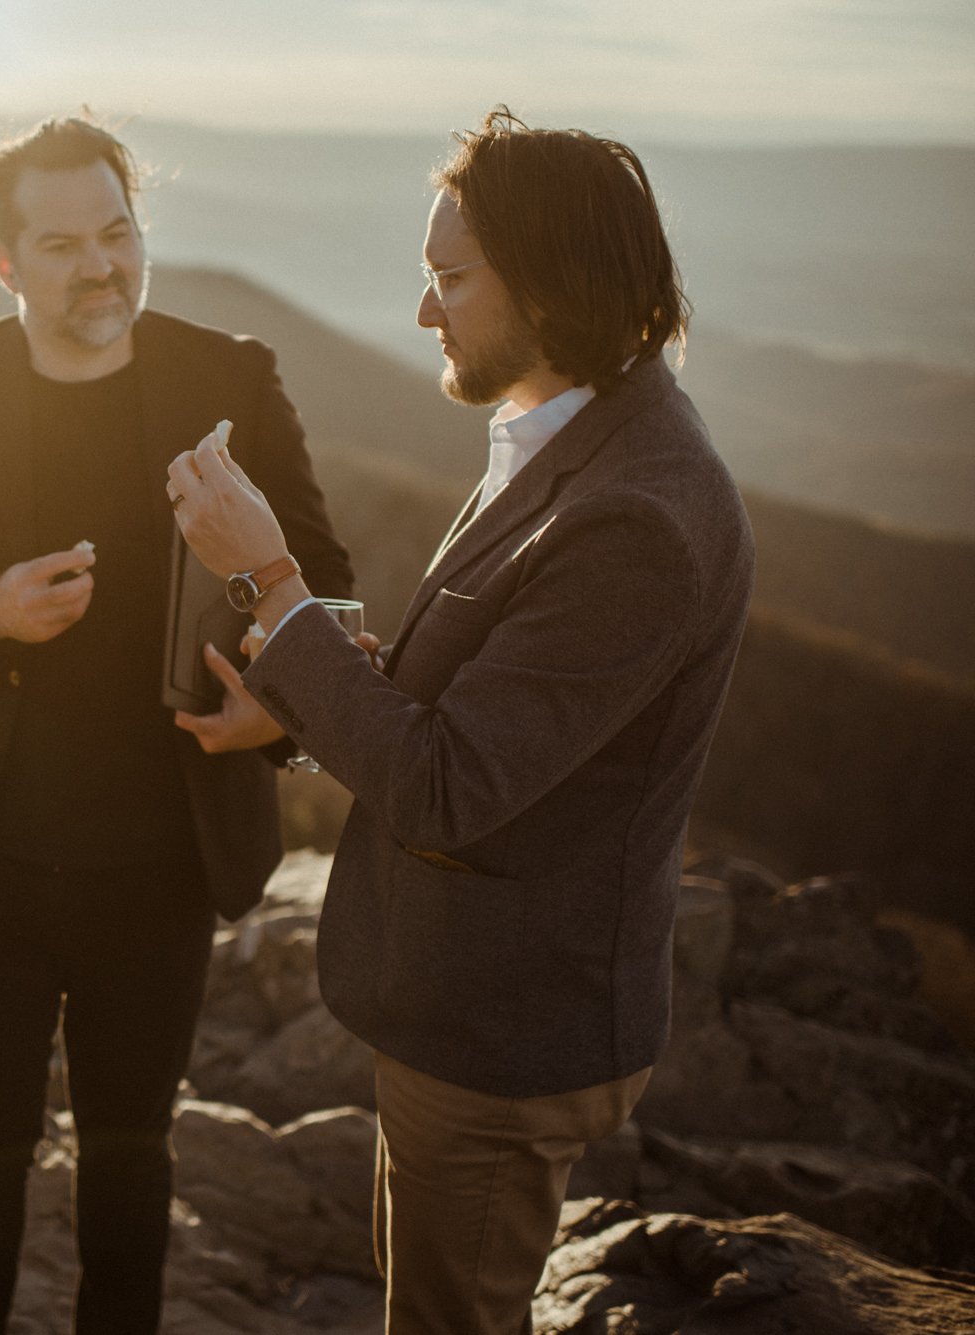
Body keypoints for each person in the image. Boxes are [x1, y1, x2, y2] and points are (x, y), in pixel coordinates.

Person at [169, 108, 755, 1334]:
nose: (424, 312)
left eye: (448, 279)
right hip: (459, 1006)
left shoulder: (637, 516)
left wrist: (272, 585)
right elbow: (479, 714)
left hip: (507, 1030)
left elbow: (447, 784)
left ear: (549, 286)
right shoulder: (567, 430)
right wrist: (287, 709)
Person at [0, 116, 353, 1332]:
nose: (98, 266)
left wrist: (267, 722)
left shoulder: (229, 378)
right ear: (6, 265)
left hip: (161, 858)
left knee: (131, 1156)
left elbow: (314, 583)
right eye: (59, 245)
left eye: (116, 232)